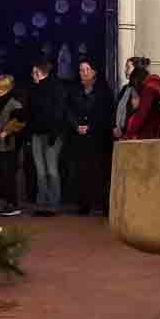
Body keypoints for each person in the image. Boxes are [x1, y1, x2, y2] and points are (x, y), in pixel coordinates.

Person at [66, 58, 113, 214]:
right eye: (81, 70)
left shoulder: (103, 91)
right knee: (81, 170)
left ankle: (100, 203)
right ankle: (83, 204)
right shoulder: (74, 90)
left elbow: (106, 113)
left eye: (87, 69)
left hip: (97, 136)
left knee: (98, 170)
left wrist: (91, 126)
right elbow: (68, 110)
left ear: (94, 71)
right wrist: (76, 125)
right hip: (79, 136)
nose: (84, 73)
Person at [26, 61, 69, 216]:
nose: (32, 75)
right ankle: (42, 204)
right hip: (39, 134)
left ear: (38, 72)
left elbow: (59, 112)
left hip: (52, 134)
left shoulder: (55, 88)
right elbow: (30, 113)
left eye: (33, 72)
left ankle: (52, 205)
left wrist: (53, 132)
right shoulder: (35, 89)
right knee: (41, 170)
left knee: (50, 169)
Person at [0, 75, 27, 217]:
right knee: (2, 174)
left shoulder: (15, 103)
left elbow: (20, 121)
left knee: (9, 174)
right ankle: (7, 202)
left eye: (0, 87)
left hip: (11, 144)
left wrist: (7, 131)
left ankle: (13, 204)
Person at [113, 57, 150, 142]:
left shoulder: (141, 89)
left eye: (128, 67)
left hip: (133, 136)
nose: (125, 70)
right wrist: (115, 127)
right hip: (119, 134)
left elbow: (138, 113)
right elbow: (116, 109)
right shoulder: (125, 88)